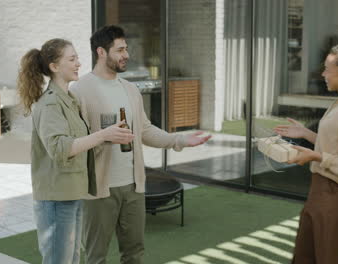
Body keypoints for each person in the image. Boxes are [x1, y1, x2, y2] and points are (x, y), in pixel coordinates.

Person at [70, 25, 211, 264]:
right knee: (96, 256)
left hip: (134, 186)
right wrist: (102, 136)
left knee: (134, 253)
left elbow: (144, 130)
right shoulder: (80, 91)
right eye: (120, 50)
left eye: (127, 49)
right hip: (98, 190)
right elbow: (73, 141)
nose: (126, 55)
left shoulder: (130, 89)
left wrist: (180, 140)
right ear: (101, 52)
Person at [17, 38, 134, 264]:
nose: (79, 63)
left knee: (71, 259)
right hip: (57, 198)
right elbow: (60, 148)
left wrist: (106, 134)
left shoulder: (69, 100)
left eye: (77, 58)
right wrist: (103, 135)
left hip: (72, 193)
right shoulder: (51, 104)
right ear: (54, 67)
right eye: (72, 59)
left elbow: (77, 140)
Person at [274, 38, 338, 263]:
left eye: (328, 70)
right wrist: (306, 134)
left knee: (330, 257)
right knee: (305, 255)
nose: (323, 74)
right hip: (319, 191)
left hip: (335, 194)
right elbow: (336, 145)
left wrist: (317, 155)